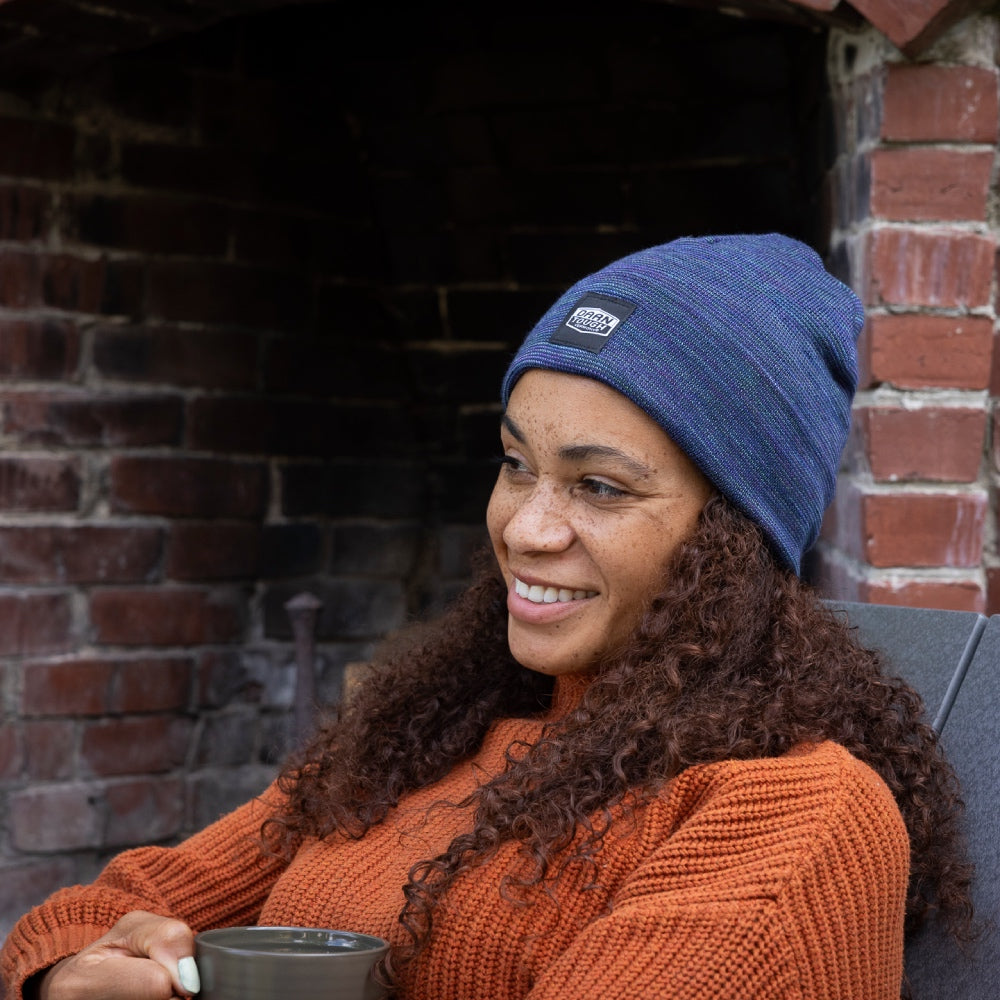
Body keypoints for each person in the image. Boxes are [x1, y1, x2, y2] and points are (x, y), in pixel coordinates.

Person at [1, 234, 972, 1000]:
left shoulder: (786, 815)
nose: (525, 526)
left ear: (732, 537)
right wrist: (76, 973)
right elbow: (112, 904)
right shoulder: (419, 739)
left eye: (597, 485)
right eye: (516, 463)